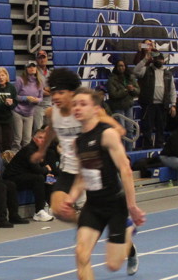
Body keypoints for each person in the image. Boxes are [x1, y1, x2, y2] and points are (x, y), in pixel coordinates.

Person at [58, 88, 145, 280]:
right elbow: (82, 176)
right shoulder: (78, 142)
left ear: (96, 109)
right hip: (93, 205)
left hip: (115, 205)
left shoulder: (107, 135)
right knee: (81, 253)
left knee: (113, 265)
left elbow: (125, 170)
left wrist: (132, 206)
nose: (77, 108)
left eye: (83, 104)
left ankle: (128, 230)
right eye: (75, 104)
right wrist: (71, 198)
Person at [32, 68, 125, 222]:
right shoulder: (52, 113)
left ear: (72, 93)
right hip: (69, 169)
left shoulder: (88, 111)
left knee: (108, 208)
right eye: (53, 93)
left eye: (61, 93)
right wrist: (41, 151)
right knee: (58, 209)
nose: (55, 97)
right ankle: (88, 225)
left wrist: (97, 141)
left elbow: (118, 129)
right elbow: (51, 130)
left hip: (94, 168)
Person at [3, 128, 55, 222]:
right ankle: (39, 211)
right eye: (40, 137)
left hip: (24, 175)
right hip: (12, 177)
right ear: (34, 139)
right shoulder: (30, 150)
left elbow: (42, 166)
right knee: (39, 178)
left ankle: (51, 206)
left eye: (44, 138)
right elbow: (37, 169)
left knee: (50, 179)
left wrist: (47, 172)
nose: (42, 140)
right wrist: (47, 170)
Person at [133, 50, 176, 148]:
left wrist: (173, 104)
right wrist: (145, 59)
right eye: (157, 59)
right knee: (147, 127)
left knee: (161, 127)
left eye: (160, 59)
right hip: (149, 104)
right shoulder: (146, 69)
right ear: (153, 59)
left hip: (162, 105)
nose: (159, 61)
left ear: (163, 60)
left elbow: (172, 90)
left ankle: (159, 146)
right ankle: (147, 147)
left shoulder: (168, 74)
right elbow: (135, 71)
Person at [106, 60, 139, 150]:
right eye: (119, 66)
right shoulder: (112, 79)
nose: (121, 68)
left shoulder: (130, 77)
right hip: (118, 107)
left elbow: (138, 91)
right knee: (121, 129)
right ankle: (121, 150)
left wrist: (132, 89)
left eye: (123, 66)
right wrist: (126, 90)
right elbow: (113, 94)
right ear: (116, 67)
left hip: (128, 106)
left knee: (130, 129)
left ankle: (129, 151)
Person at [13, 60, 43, 151]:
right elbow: (14, 96)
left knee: (27, 139)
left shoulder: (39, 82)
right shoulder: (20, 80)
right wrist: (26, 98)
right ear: (26, 69)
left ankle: (26, 156)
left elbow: (41, 97)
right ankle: (15, 155)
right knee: (18, 138)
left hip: (29, 114)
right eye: (29, 67)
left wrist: (37, 100)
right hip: (18, 112)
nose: (32, 68)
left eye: (33, 66)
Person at [32, 49, 53, 130]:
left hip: (49, 105)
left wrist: (44, 89)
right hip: (38, 106)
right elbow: (34, 90)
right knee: (39, 131)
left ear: (47, 59)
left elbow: (54, 88)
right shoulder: (33, 73)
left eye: (44, 57)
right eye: (40, 58)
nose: (42, 60)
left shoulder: (50, 73)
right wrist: (45, 90)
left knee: (49, 130)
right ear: (36, 60)